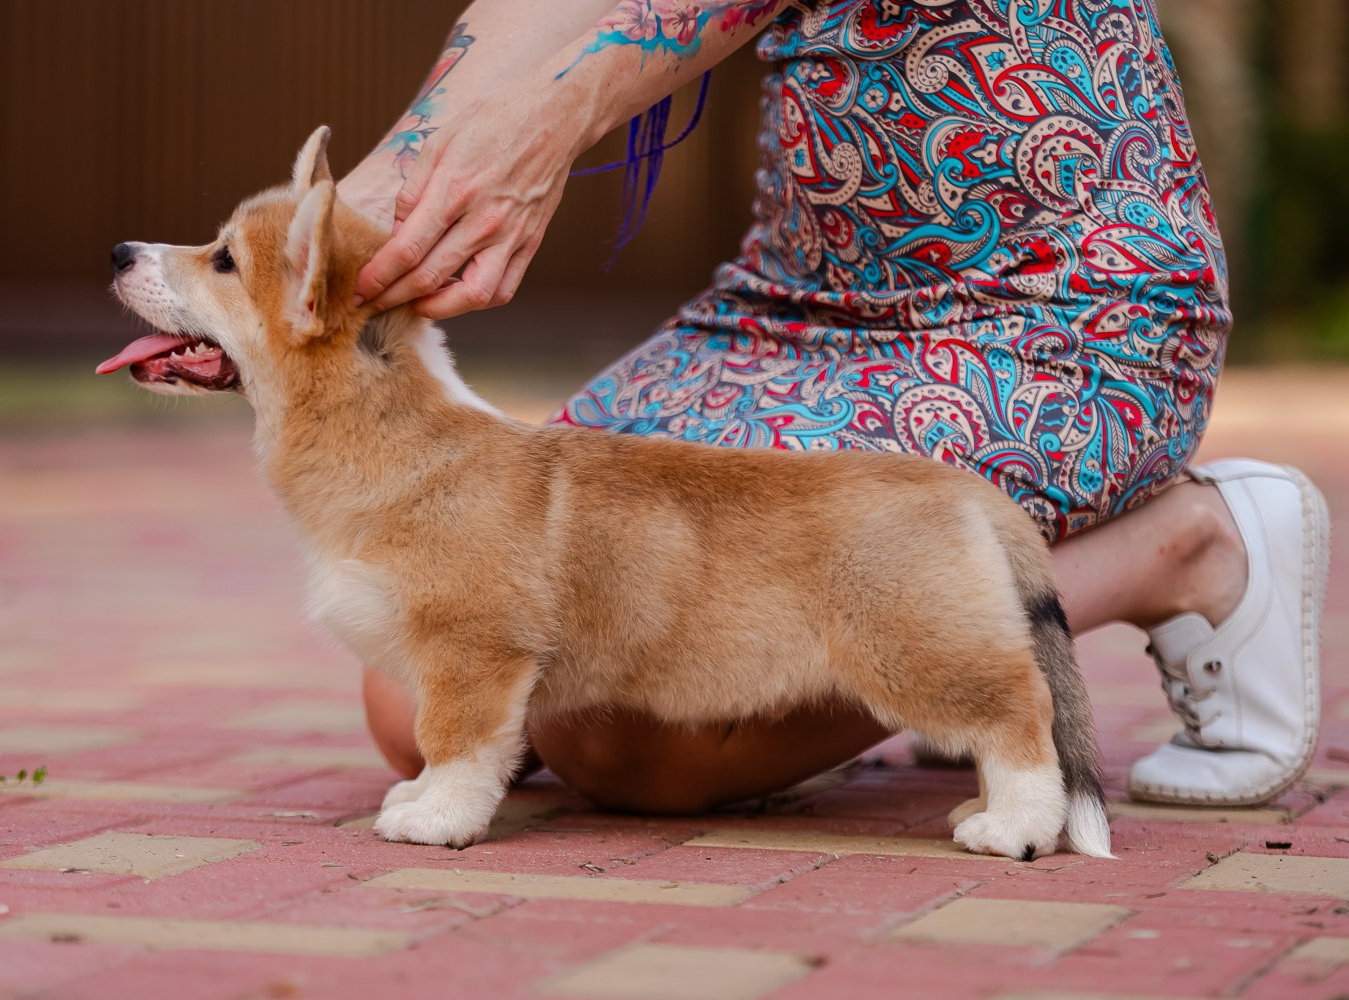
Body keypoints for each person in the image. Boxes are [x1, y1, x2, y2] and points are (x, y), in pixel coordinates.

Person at [335, 0, 1328, 813]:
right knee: (427, 682)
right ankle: (934, 639)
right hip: (789, 312)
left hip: (1054, 311)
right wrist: (366, 200)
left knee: (636, 747)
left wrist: (536, 131)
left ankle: (1178, 546)